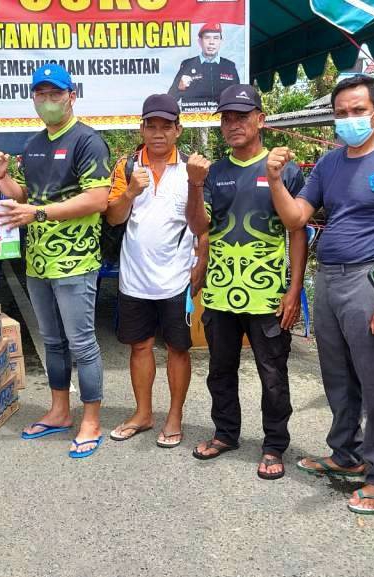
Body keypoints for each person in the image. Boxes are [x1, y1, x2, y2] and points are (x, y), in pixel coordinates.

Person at [267, 75, 374, 514]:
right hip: (330, 279)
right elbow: (296, 217)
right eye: (341, 112)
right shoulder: (329, 164)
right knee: (337, 375)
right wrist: (276, 180)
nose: (350, 119)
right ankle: (345, 454)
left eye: (358, 110)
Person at [0, 64, 112, 459]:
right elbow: (26, 196)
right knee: (53, 341)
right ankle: (59, 410)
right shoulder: (34, 144)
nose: (47, 101)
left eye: (54, 93)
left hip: (76, 261)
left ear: (71, 95)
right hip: (39, 262)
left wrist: (39, 214)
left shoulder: (88, 141)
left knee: (82, 343)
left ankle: (90, 418)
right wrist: (3, 179)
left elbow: (98, 199)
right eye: (40, 94)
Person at [184, 84, 307, 480]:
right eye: (226, 118)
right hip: (220, 291)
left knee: (273, 374)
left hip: (268, 293)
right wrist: (195, 183)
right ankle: (226, 433)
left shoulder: (285, 169)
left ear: (260, 119)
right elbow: (198, 226)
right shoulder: (214, 172)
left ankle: (274, 446)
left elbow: (297, 232)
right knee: (220, 369)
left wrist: (294, 290)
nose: (233, 124)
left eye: (241, 116)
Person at [104, 94, 208, 449]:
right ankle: (143, 413)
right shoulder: (126, 166)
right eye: (152, 125)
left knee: (179, 348)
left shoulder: (193, 169)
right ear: (142, 128)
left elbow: (201, 225)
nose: (159, 133)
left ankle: (174, 416)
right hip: (135, 278)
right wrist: (131, 190)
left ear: (178, 129)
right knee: (140, 346)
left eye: (167, 126)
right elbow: (114, 217)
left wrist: (201, 263)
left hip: (176, 278)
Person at [167, 23, 240, 112]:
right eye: (207, 38)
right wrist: (179, 88)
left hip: (222, 120)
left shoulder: (229, 66)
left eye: (216, 38)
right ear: (200, 41)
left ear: (221, 41)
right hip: (194, 122)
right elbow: (170, 99)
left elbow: (238, 98)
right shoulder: (187, 65)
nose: (211, 42)